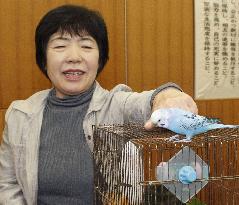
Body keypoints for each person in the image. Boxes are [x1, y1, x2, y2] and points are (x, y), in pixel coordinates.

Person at [0, 4, 198, 205]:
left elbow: (145, 101)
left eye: (86, 46)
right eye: (60, 46)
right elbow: (7, 185)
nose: (74, 57)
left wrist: (166, 95)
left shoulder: (116, 104)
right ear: (43, 59)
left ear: (100, 58)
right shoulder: (20, 114)